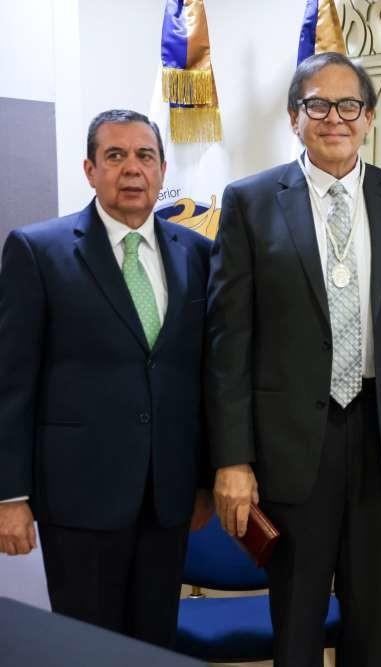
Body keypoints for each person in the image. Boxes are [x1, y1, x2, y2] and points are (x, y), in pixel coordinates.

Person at [205, 52, 381, 667]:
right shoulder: (250, 202)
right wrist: (233, 458)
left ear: (369, 118)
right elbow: (229, 342)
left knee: (379, 622)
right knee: (298, 623)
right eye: (318, 105)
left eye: (349, 106)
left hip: (379, 437)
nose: (334, 118)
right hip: (289, 444)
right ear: (294, 117)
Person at [0, 109, 213, 647]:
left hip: (167, 497)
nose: (132, 169)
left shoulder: (200, 254)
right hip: (78, 498)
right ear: (90, 169)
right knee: (87, 650)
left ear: (163, 169)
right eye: (115, 156)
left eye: (144, 156)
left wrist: (206, 480)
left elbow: (204, 378)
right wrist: (9, 497)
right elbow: (12, 384)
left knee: (153, 644)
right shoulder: (38, 250)